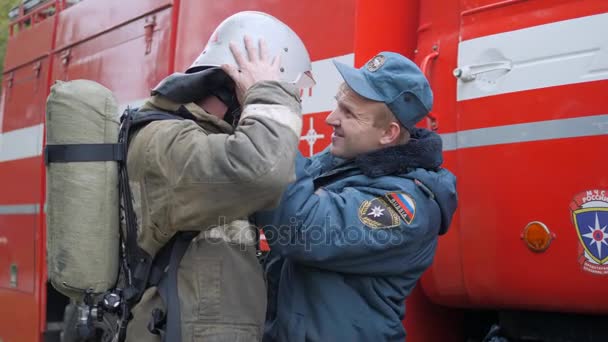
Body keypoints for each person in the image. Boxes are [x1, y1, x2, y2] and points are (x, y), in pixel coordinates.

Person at [123, 11, 314, 342]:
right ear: (234, 90)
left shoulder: (198, 137)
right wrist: (267, 92)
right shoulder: (167, 142)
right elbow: (262, 172)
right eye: (250, 92)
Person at [253, 52, 458, 341]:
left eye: (348, 113)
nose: (330, 119)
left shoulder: (406, 207)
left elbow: (298, 227)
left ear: (388, 133)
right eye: (338, 104)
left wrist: (268, 109)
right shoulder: (343, 163)